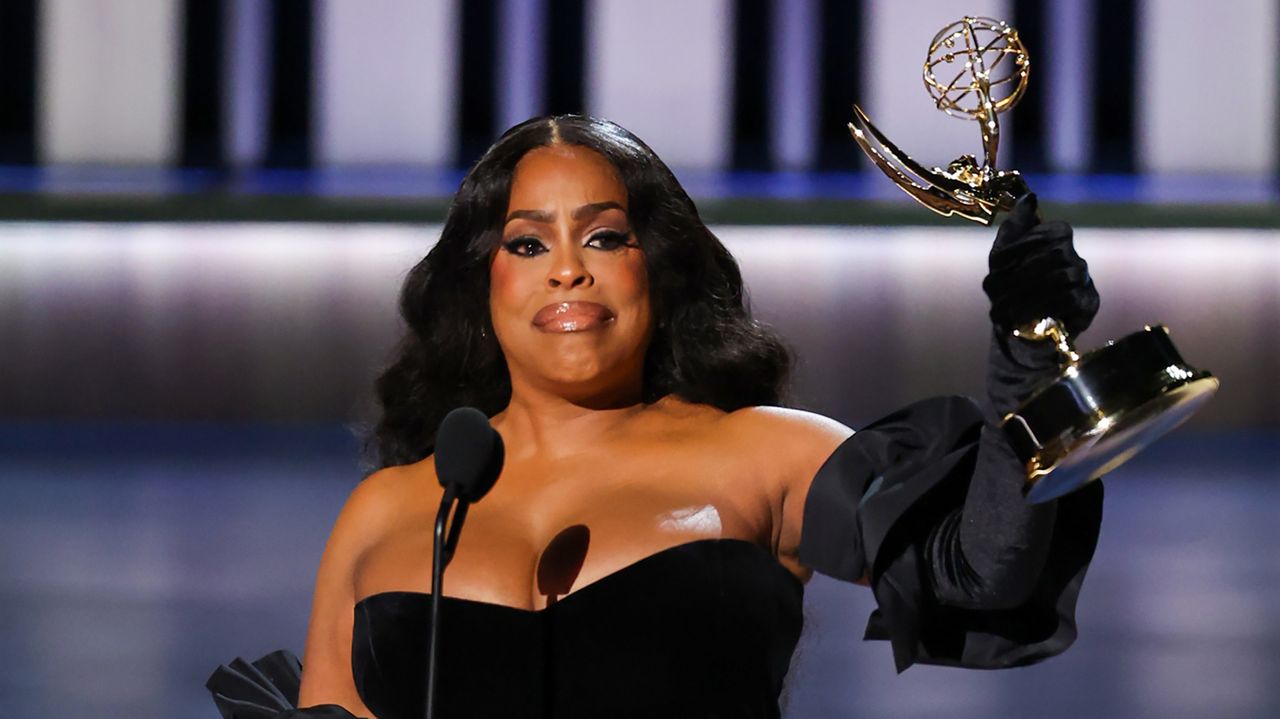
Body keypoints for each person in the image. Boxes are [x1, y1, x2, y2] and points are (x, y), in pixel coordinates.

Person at [207, 115, 1103, 719]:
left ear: (658, 268)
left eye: (604, 236)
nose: (568, 269)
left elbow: (981, 571)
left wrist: (1025, 354)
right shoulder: (394, 508)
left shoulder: (766, 455)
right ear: (484, 284)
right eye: (527, 243)